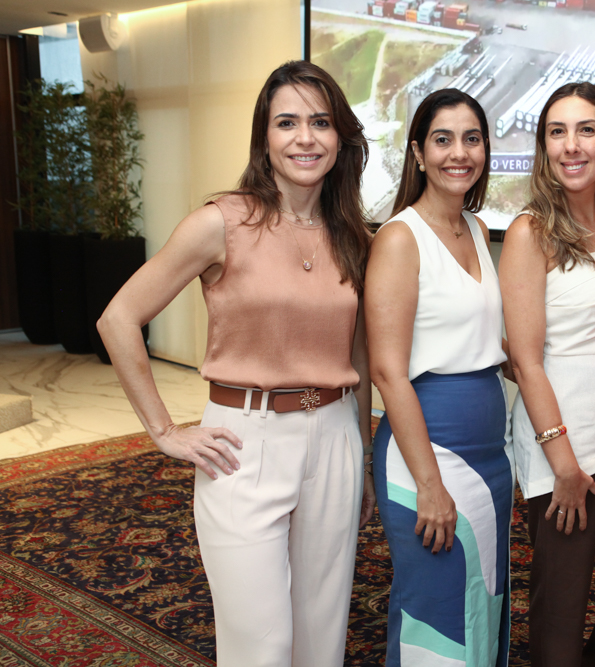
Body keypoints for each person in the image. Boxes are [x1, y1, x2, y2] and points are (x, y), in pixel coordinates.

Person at [97, 60, 375, 667]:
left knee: (321, 638)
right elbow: (118, 319)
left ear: (340, 136)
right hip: (244, 443)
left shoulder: (352, 231)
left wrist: (362, 451)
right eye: (287, 122)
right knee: (261, 646)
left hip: (335, 438)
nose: (306, 137)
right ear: (264, 137)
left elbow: (357, 351)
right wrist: (165, 431)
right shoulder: (220, 222)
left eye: (321, 122)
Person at [499, 81, 595, 667]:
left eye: (586, 129)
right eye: (556, 132)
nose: (571, 145)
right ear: (543, 147)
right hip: (564, 439)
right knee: (561, 600)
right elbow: (526, 359)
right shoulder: (528, 232)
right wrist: (563, 462)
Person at [366, 89, 512, 667]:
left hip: (487, 455)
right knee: (436, 608)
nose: (460, 152)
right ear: (418, 154)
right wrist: (429, 485)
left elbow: (475, 339)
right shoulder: (401, 238)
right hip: (425, 450)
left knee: (482, 599)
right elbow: (386, 370)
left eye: (472, 139)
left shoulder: (475, 228)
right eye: (443, 139)